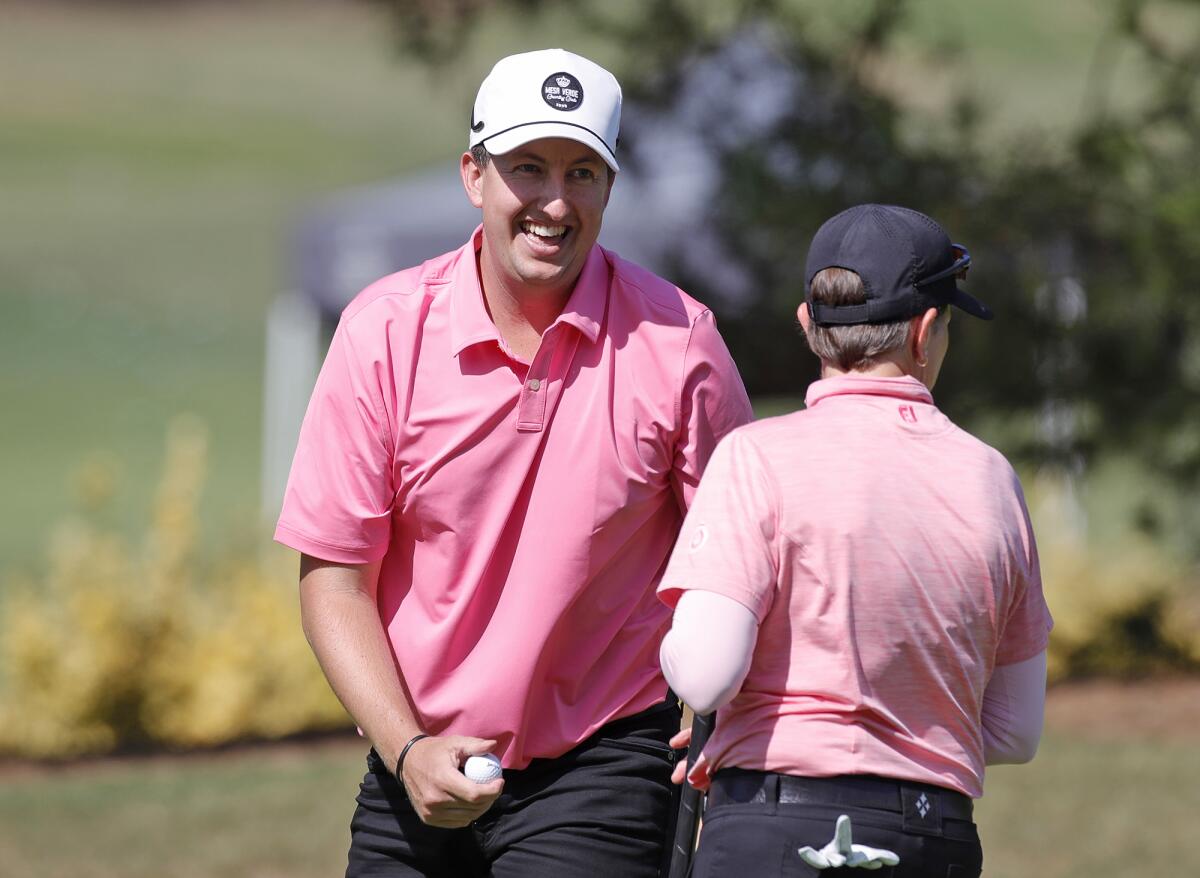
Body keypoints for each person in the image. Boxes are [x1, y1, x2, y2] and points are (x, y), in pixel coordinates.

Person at [274, 48, 753, 878]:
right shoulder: (382, 334)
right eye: (527, 168)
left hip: (603, 765)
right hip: (414, 762)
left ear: (610, 186)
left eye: (583, 173)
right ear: (474, 174)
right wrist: (406, 747)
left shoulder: (681, 343)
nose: (555, 204)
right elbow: (335, 581)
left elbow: (743, 565)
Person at [657, 204, 1053, 877]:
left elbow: (704, 672)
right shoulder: (992, 479)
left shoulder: (756, 457)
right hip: (932, 838)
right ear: (926, 334)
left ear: (808, 325)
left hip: (773, 828)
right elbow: (1015, 730)